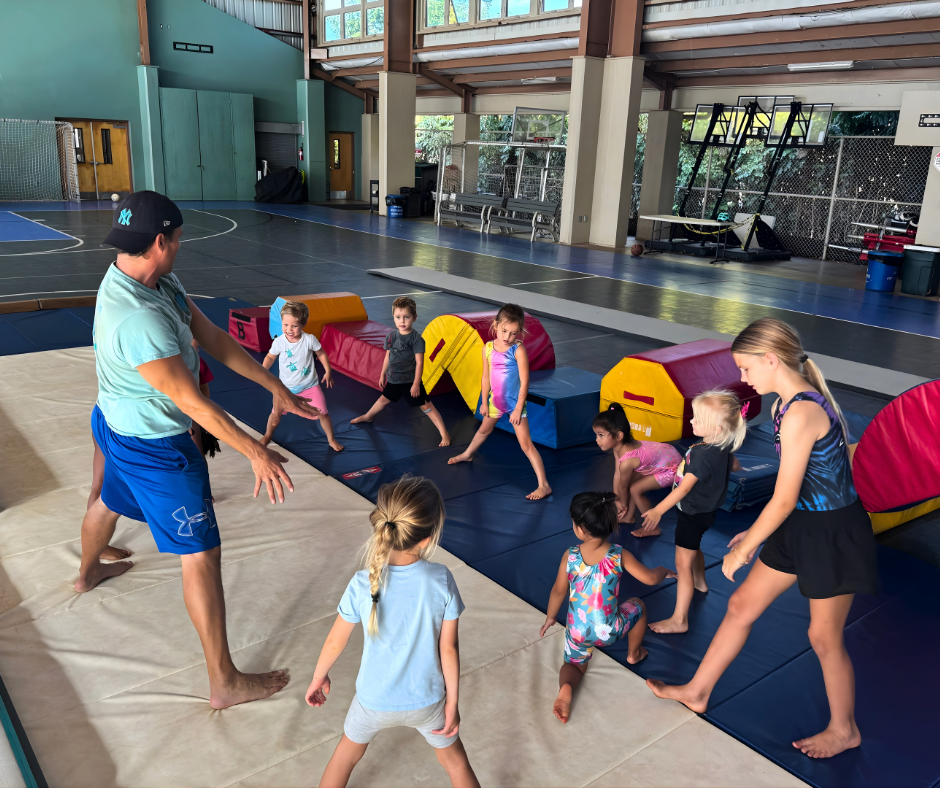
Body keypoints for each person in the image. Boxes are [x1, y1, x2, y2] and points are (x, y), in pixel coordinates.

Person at [77, 190, 321, 710]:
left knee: (108, 501)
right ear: (160, 242)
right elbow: (193, 404)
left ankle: (87, 572)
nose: (181, 246)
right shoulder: (136, 317)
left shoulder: (151, 279)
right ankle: (224, 682)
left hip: (117, 423)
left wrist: (274, 386)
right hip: (155, 447)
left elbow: (210, 335)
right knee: (201, 554)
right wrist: (255, 451)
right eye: (179, 239)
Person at [647, 317, 879, 760]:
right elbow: (793, 489)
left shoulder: (803, 412)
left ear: (771, 360)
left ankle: (844, 729)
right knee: (740, 606)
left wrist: (749, 545)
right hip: (801, 523)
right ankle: (697, 691)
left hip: (832, 532)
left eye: (746, 368)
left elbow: (786, 498)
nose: (742, 378)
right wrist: (756, 532)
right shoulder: (780, 407)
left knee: (823, 637)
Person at [305, 475, 479, 788]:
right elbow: (449, 649)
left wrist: (319, 678)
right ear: (427, 538)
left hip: (373, 700)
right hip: (428, 701)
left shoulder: (362, 582)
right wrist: (452, 704)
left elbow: (335, 641)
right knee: (455, 763)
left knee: (345, 758)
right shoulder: (442, 579)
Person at [539, 492, 677, 724]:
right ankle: (634, 653)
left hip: (577, 630)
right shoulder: (619, 554)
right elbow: (650, 579)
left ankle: (566, 688)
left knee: (573, 665)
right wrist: (664, 570)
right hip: (608, 631)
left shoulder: (570, 555)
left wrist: (551, 617)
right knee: (639, 604)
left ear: (579, 529)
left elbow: (558, 591)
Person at [643, 391, 745, 634]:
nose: (691, 420)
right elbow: (735, 465)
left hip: (692, 513)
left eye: (698, 419)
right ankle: (700, 582)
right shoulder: (721, 444)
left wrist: (658, 509)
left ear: (717, 428)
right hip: (705, 511)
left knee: (682, 564)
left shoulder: (702, 454)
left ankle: (680, 620)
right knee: (692, 546)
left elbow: (685, 488)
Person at [448, 304, 551, 500]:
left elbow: (525, 382)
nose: (507, 337)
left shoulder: (518, 350)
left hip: (514, 404)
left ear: (519, 332)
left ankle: (544, 485)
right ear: (495, 325)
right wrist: (484, 401)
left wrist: (518, 408)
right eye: (504, 331)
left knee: (526, 445)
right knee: (483, 430)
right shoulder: (487, 348)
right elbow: (486, 377)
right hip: (495, 401)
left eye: (513, 333)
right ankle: (468, 454)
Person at [351, 296, 450, 447]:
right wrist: (382, 374)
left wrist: (416, 384)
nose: (402, 321)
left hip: (410, 381)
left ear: (414, 317)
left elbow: (420, 362)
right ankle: (368, 416)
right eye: (398, 317)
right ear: (393, 317)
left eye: (406, 317)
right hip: (393, 378)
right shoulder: (391, 336)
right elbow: (388, 356)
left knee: (426, 406)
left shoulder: (416, 340)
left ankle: (444, 433)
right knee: (383, 399)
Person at [260, 300, 344, 452]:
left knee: (323, 413)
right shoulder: (279, 342)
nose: (289, 329)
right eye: (285, 325)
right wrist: (262, 370)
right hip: (285, 388)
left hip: (309, 386)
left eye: (294, 326)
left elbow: (321, 354)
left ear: (303, 324)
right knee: (275, 414)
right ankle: (267, 435)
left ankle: (331, 439)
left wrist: (328, 371)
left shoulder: (309, 340)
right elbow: (270, 357)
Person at [592, 403, 682, 534]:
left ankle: (653, 528)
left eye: (601, 435)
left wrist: (622, 505)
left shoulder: (627, 461)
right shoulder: (620, 448)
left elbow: (623, 487)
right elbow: (618, 475)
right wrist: (616, 500)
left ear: (618, 436)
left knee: (635, 489)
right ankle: (629, 517)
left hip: (672, 468)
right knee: (631, 480)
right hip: (666, 456)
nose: (597, 440)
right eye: (596, 435)